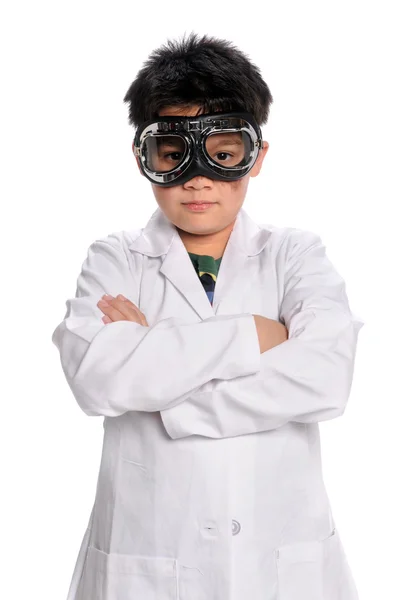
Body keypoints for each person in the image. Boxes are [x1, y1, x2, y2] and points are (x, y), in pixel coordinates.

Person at [52, 32, 364, 600]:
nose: (198, 178)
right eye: (173, 155)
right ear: (144, 158)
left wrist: (159, 375)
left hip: (280, 558)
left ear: (257, 156)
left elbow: (325, 378)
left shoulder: (295, 255)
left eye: (223, 156)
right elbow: (97, 378)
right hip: (148, 558)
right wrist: (253, 335)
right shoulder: (115, 259)